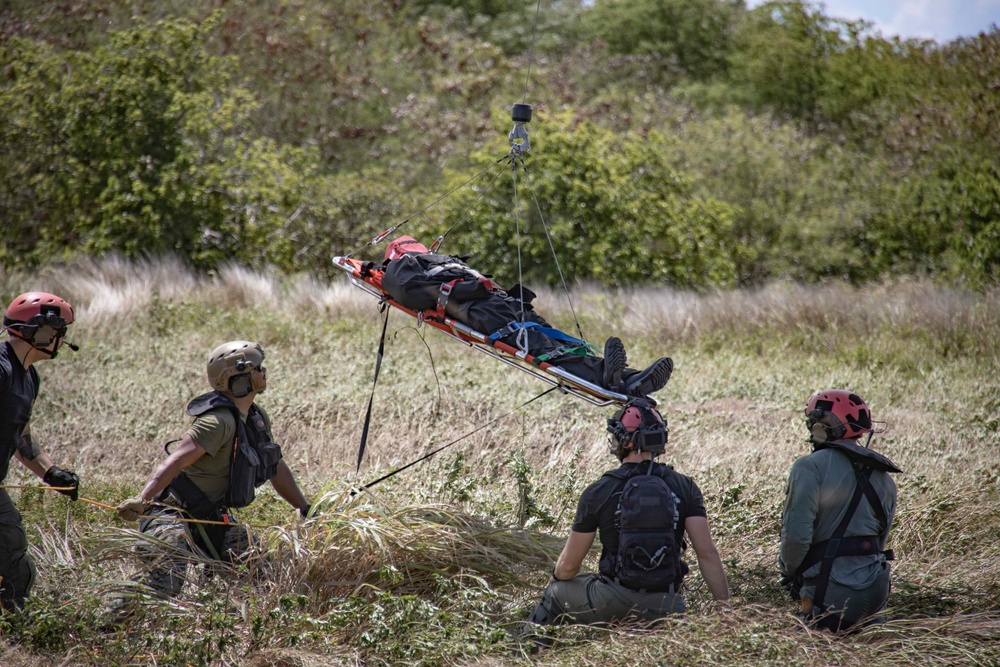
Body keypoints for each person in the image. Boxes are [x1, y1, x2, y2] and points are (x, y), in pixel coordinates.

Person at [115, 340, 310, 598]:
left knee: (264, 577)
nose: (263, 372)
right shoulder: (217, 422)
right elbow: (175, 462)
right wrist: (143, 499)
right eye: (258, 368)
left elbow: (275, 467)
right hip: (170, 513)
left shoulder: (255, 417)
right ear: (238, 377)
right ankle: (105, 627)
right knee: (164, 584)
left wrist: (306, 509)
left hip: (209, 515)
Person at [523, 398, 730, 633]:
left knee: (555, 592)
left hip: (612, 600)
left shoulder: (599, 490)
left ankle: (525, 653)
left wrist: (555, 578)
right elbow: (708, 554)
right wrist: (726, 611)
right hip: (669, 606)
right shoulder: (685, 486)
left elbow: (569, 567)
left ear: (624, 440)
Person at [379, 236, 674, 398]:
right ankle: (614, 378)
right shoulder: (401, 270)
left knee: (559, 346)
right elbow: (406, 292)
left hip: (500, 305)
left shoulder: (432, 263)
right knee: (548, 351)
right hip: (487, 312)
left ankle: (629, 377)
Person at [779, 389, 900, 632]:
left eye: (815, 422)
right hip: (877, 589)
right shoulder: (885, 476)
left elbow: (796, 536)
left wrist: (790, 572)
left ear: (826, 426)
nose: (812, 428)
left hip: (829, 590)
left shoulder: (808, 467)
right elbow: (880, 539)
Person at [1, 292, 81, 612]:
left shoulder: (29, 375)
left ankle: (14, 632)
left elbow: (20, 434)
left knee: (13, 555)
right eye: (59, 334)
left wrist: (51, 473)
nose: (61, 341)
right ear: (42, 333)